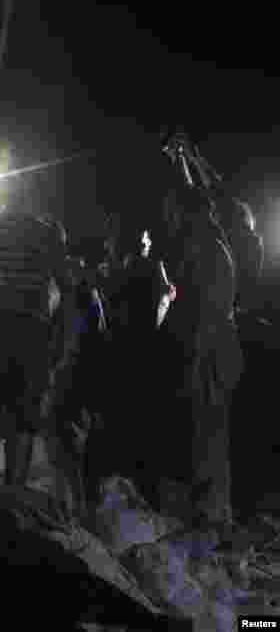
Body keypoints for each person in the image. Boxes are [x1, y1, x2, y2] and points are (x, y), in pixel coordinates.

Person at [0, 189, 68, 486]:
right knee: (23, 413)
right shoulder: (47, 232)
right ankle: (14, 490)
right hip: (32, 327)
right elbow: (65, 285)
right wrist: (55, 328)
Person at [162, 187, 243, 524]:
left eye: (173, 210)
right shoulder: (212, 244)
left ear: (188, 211)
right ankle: (213, 514)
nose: (170, 218)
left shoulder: (205, 247)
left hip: (209, 348)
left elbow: (205, 309)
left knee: (206, 436)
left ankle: (211, 519)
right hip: (215, 346)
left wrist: (193, 357)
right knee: (209, 435)